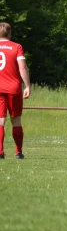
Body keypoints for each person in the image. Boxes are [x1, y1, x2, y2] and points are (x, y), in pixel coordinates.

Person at [0, 22, 31, 160]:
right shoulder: (16, 47)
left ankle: (0, 152)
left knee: (0, 121)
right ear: (10, 32)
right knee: (16, 120)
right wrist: (28, 85)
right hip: (13, 88)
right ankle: (18, 152)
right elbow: (22, 67)